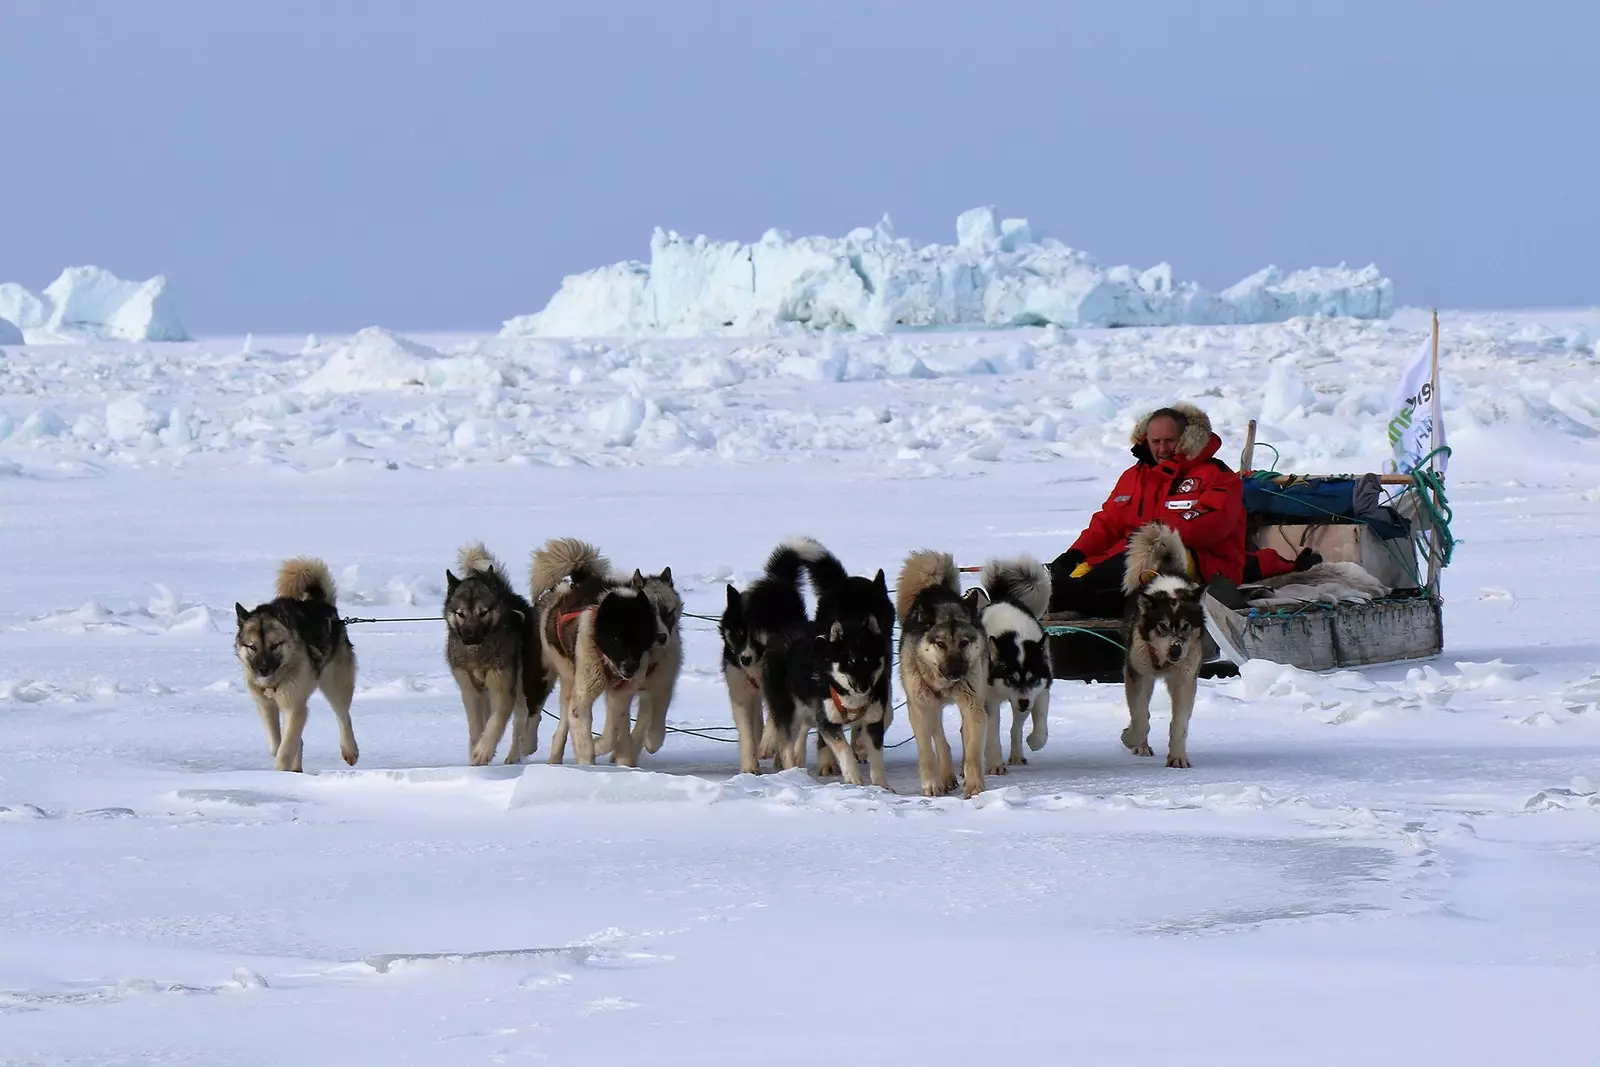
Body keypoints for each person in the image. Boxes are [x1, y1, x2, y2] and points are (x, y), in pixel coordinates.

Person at [1049, 403, 1246, 618]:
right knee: (1072, 572)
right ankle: (1064, 593)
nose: (1162, 449)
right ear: (1146, 440)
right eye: (1156, 442)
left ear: (1185, 438)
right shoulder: (1133, 477)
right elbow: (1107, 525)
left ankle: (1078, 598)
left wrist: (1146, 538)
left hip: (1206, 568)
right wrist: (1075, 555)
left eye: (1169, 441)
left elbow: (1209, 526)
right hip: (1132, 563)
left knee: (1153, 552)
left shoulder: (1218, 476)